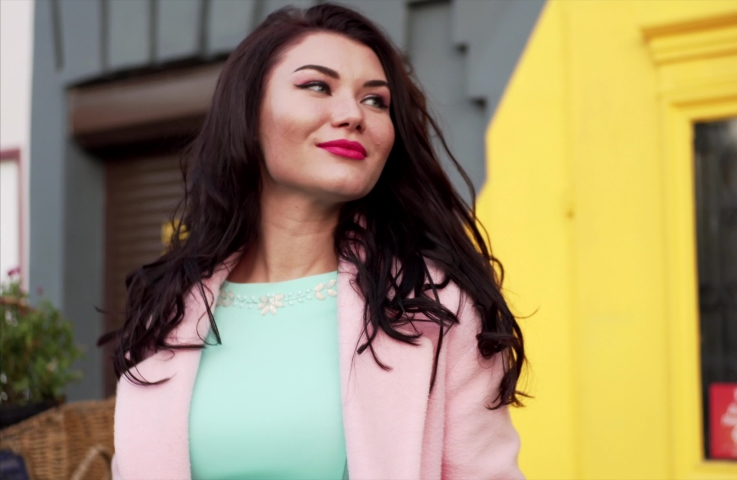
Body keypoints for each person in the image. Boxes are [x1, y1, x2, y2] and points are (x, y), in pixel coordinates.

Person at [103, 3, 526, 479]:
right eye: (317, 86)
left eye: (375, 100)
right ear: (249, 113)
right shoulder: (167, 309)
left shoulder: (432, 306)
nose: (352, 115)